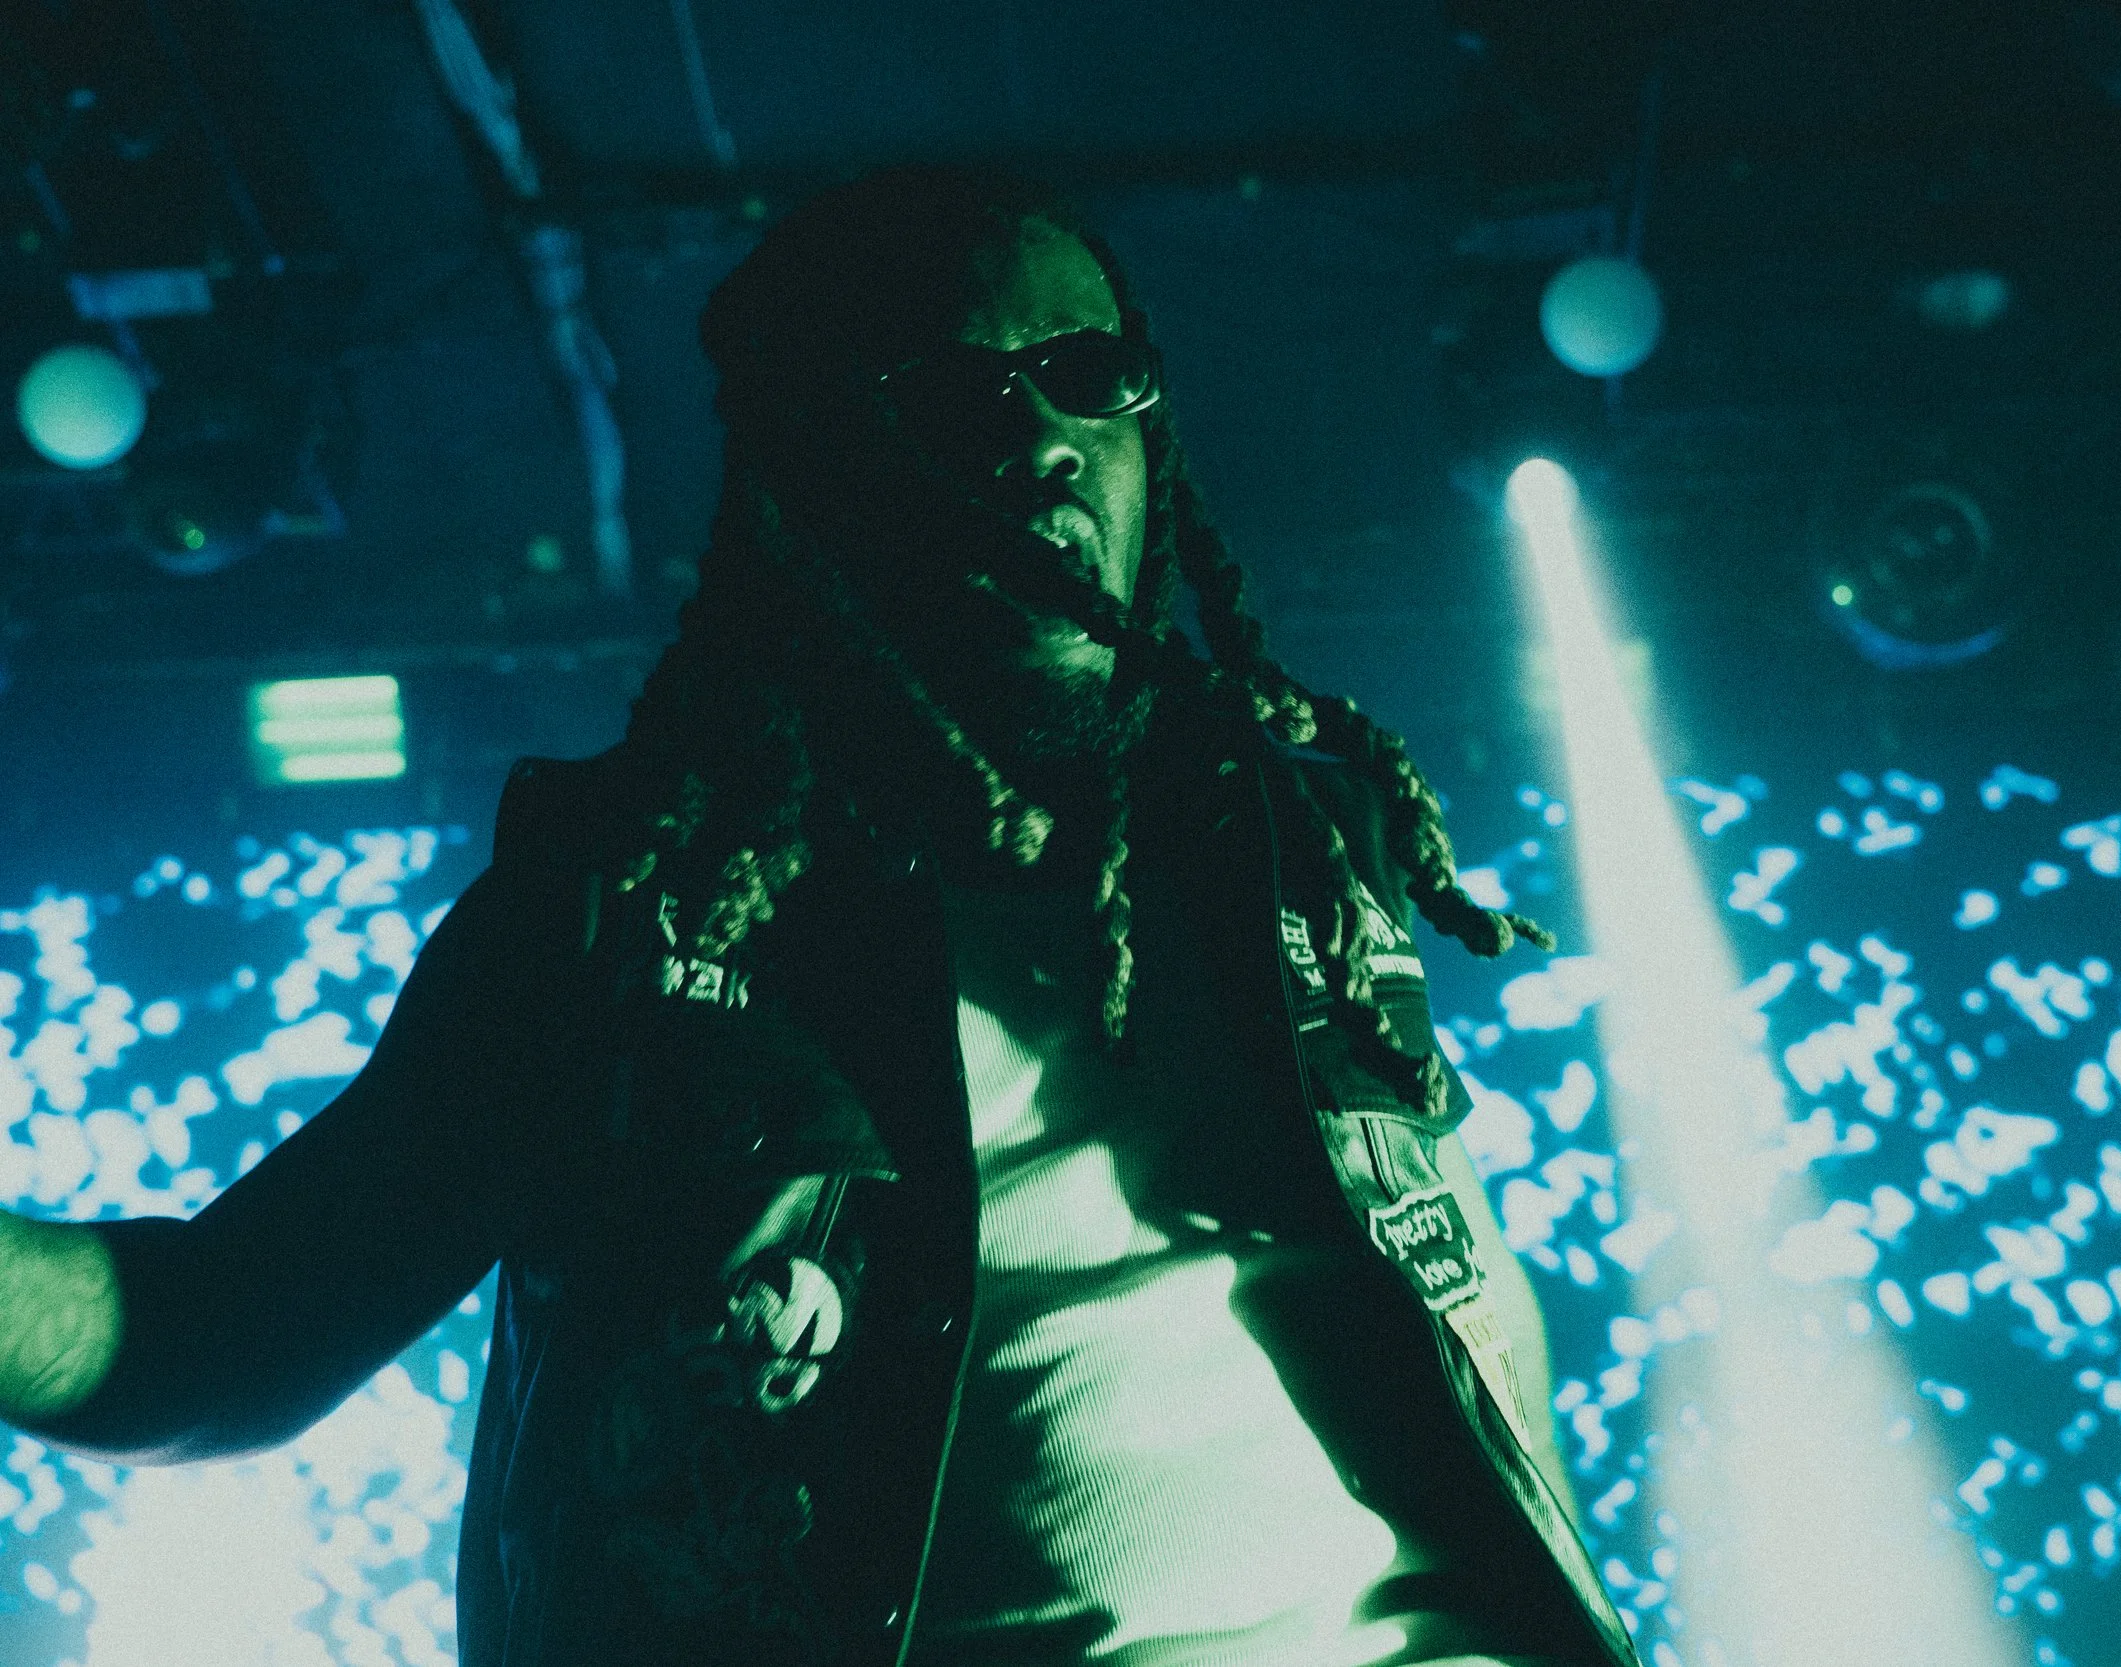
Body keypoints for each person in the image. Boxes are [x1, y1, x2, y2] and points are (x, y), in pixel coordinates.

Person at [0, 167, 1636, 1667]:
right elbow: (213, 1338)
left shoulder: (1294, 827)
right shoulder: (624, 914)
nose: (1044, 437)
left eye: (1087, 374)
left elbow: (1451, 1324)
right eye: (952, 394)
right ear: (814, 474)